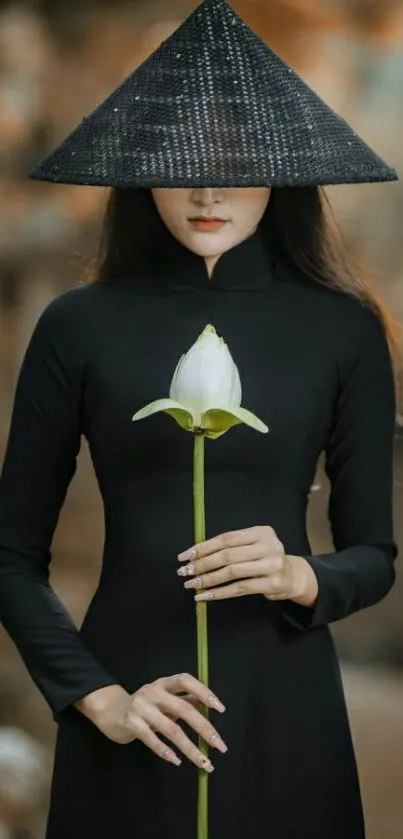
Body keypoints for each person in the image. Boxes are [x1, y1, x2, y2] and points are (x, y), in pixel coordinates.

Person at [0, 1, 399, 838]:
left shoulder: (342, 327)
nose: (208, 189)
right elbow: (10, 553)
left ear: (281, 170)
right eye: (181, 162)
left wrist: (301, 575)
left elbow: (372, 556)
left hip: (286, 707)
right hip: (132, 698)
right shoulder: (79, 324)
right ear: (141, 171)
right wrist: (97, 695)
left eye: (235, 161)